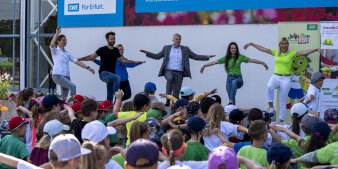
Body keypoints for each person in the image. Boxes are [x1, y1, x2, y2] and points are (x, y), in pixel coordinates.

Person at [244, 38, 320, 122]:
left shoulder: (291, 53)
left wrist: (316, 49)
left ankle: (281, 121)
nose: (284, 45)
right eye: (282, 44)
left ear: (287, 45)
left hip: (286, 78)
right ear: (280, 45)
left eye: (285, 44)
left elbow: (303, 52)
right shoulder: (276, 52)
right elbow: (263, 49)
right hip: (276, 76)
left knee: (282, 101)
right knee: (269, 86)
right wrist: (252, 43)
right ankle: (271, 107)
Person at [140, 33, 215, 106]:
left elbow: (195, 56)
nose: (178, 41)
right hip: (168, 70)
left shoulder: (185, 49)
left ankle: (174, 109)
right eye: (176, 39)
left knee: (176, 94)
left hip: (179, 73)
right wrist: (148, 53)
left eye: (179, 39)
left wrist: (206, 57)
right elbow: (157, 56)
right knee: (170, 78)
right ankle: (168, 99)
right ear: (173, 40)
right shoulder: (166, 48)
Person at [79, 32, 144, 101]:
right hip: (103, 74)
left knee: (109, 97)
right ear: (107, 40)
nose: (113, 40)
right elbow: (91, 56)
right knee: (117, 78)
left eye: (114, 39)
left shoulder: (116, 50)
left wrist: (134, 62)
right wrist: (80, 59)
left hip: (111, 76)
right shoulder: (102, 49)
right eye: (111, 39)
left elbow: (122, 60)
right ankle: (117, 98)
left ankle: (109, 108)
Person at [200, 42, 268, 105]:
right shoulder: (226, 58)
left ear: (236, 49)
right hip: (229, 79)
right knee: (231, 98)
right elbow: (215, 62)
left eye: (234, 48)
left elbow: (252, 60)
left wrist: (262, 63)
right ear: (229, 49)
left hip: (238, 79)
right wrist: (204, 65)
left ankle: (231, 102)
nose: (233, 49)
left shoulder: (240, 57)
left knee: (234, 82)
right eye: (232, 48)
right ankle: (232, 109)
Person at [50, 27, 94, 98]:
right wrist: (57, 33)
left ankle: (62, 106)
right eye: (63, 40)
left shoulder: (67, 53)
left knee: (64, 96)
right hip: (57, 75)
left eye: (66, 40)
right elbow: (52, 44)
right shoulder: (55, 51)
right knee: (73, 86)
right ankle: (74, 104)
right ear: (58, 41)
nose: (65, 41)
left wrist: (88, 68)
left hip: (66, 76)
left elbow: (76, 61)